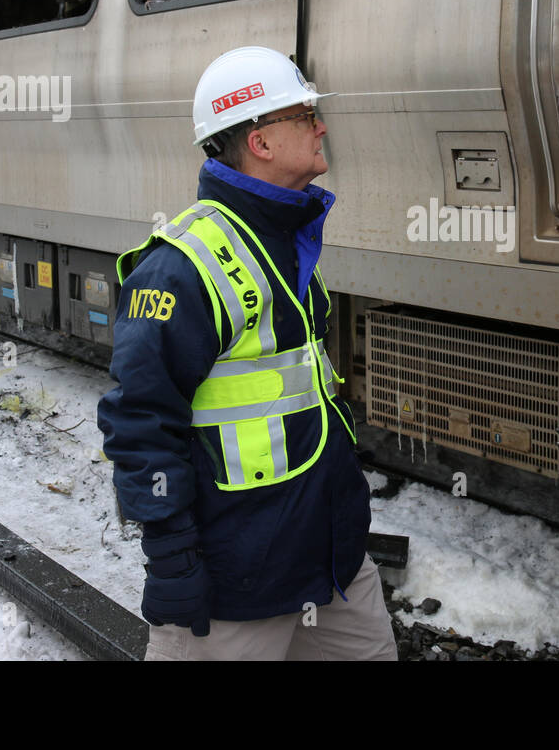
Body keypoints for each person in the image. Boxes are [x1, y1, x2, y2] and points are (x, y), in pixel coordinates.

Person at [97, 45, 397, 660]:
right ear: (261, 141)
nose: (321, 126)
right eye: (305, 114)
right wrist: (172, 562)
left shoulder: (283, 237)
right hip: (238, 575)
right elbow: (139, 421)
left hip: (330, 559)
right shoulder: (182, 267)